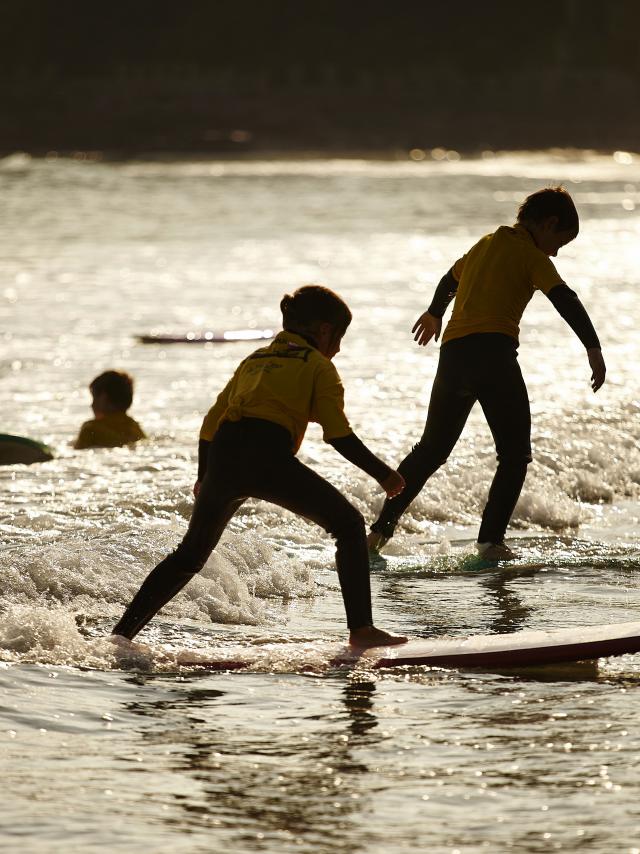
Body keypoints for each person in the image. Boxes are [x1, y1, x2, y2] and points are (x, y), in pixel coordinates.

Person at [112, 285, 408, 648]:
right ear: (325, 331)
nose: (339, 348)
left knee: (189, 556)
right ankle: (361, 629)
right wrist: (384, 474)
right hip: (266, 457)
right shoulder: (318, 366)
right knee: (348, 525)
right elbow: (337, 434)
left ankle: (121, 635)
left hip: (223, 454)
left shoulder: (254, 360)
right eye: (340, 337)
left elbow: (210, 422)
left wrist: (204, 475)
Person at [367, 186, 606, 562]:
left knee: (431, 450)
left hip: (453, 356)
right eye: (560, 241)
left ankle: (378, 532)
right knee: (514, 456)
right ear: (549, 223)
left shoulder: (484, 245)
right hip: (493, 355)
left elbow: (449, 279)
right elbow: (565, 299)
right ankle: (490, 543)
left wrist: (435, 313)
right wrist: (593, 347)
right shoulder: (530, 255)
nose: (557, 252)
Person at [74, 370, 146, 450]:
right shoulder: (135, 428)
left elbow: (77, 451)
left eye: (94, 398)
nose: (91, 405)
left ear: (103, 398)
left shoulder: (90, 429)